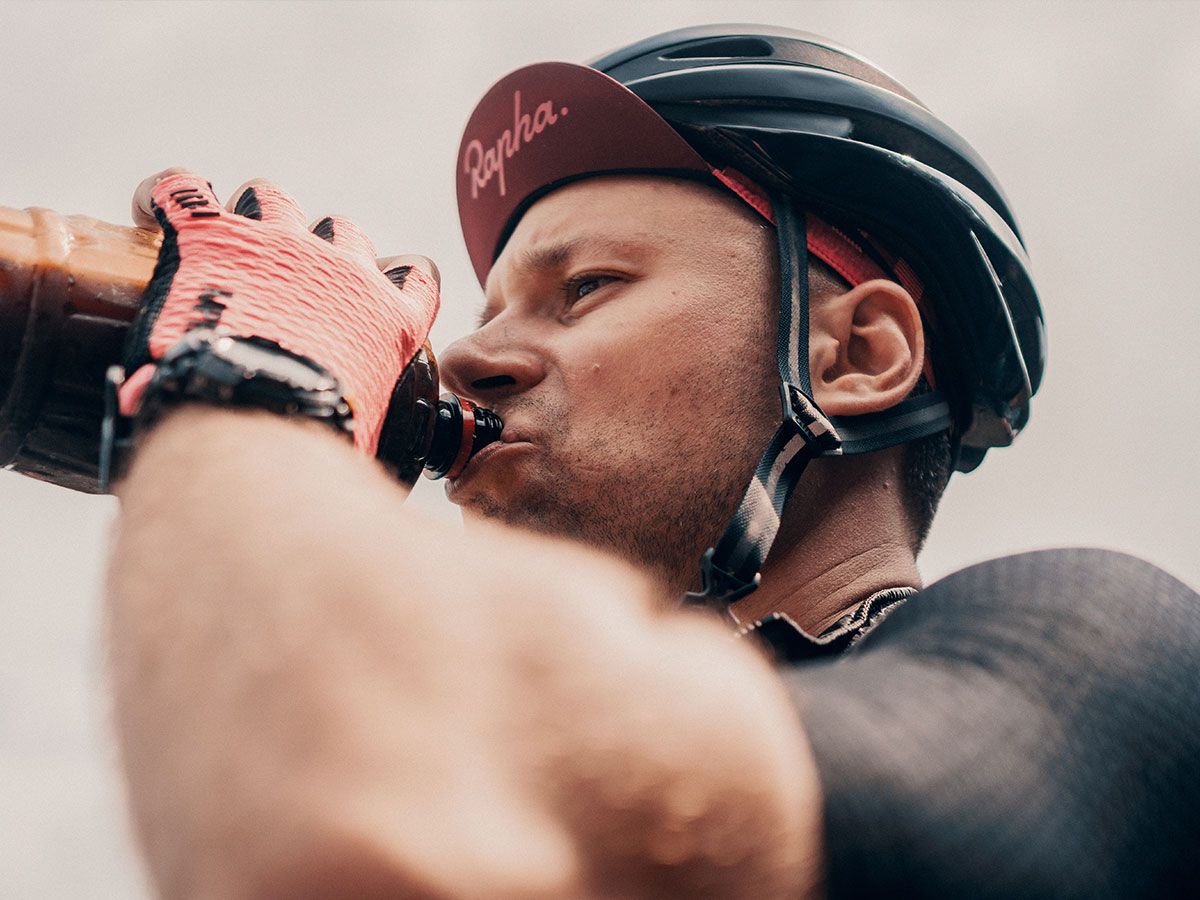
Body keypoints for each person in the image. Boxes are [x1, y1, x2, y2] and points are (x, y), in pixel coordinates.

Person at [105, 25, 1199, 899]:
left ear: (860, 356)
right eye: (485, 315)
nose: (464, 358)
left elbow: (373, 836)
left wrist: (249, 383)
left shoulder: (1107, 655)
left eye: (585, 288)